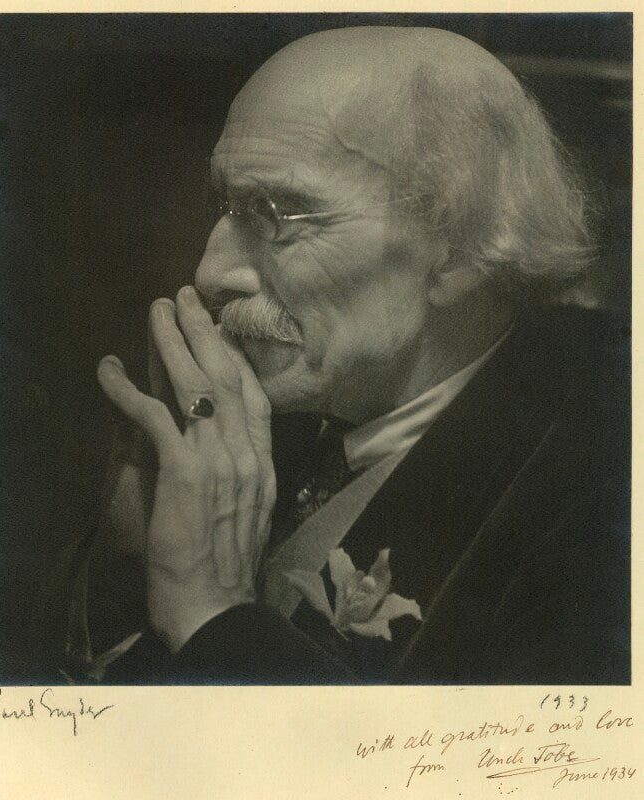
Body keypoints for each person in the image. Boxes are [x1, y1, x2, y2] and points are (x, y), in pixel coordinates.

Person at [39, 26, 629, 684]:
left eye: (277, 212)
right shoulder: (261, 418)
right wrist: (129, 567)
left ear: (457, 249)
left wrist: (217, 617)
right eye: (225, 205)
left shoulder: (600, 491)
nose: (210, 273)